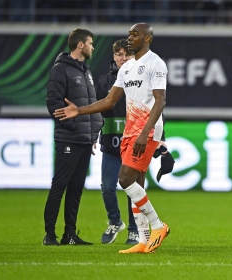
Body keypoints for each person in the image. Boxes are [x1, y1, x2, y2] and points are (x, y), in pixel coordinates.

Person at [53, 23, 170, 254]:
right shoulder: (127, 69)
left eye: (135, 35)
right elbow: (108, 101)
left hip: (146, 131)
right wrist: (80, 110)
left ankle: (158, 226)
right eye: (129, 34)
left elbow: (161, 100)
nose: (130, 38)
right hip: (130, 131)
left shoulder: (156, 63)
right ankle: (144, 241)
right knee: (136, 185)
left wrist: (145, 132)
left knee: (125, 179)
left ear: (147, 38)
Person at [44, 28, 103, 246]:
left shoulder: (85, 71)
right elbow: (54, 103)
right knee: (59, 185)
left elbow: (90, 106)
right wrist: (75, 126)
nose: (92, 47)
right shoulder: (61, 70)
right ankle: (49, 235)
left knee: (76, 188)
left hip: (84, 139)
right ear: (80, 45)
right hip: (69, 138)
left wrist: (91, 132)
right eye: (90, 43)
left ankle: (69, 234)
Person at [95, 39, 138, 245]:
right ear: (114, 57)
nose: (123, 58)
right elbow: (96, 111)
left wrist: (159, 139)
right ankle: (115, 221)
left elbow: (155, 110)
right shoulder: (104, 82)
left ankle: (134, 228)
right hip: (111, 142)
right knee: (107, 187)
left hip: (134, 143)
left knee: (132, 188)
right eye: (119, 54)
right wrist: (93, 134)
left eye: (127, 54)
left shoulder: (142, 79)